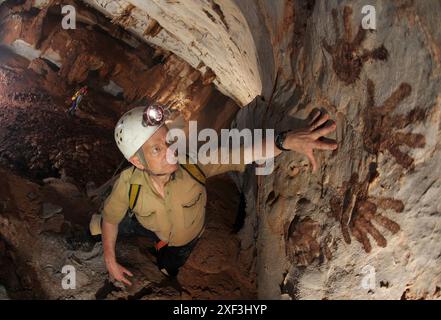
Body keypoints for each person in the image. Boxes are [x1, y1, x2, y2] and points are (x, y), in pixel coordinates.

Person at [89, 103, 337, 285]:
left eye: (168, 141)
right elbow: (112, 218)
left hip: (186, 239)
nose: (170, 151)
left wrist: (286, 140)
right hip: (149, 225)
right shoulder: (128, 185)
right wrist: (110, 260)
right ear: (137, 161)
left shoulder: (195, 165)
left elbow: (243, 152)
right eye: (156, 149)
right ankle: (93, 227)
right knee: (111, 223)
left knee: (168, 266)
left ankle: (164, 259)